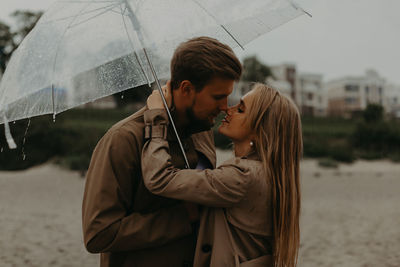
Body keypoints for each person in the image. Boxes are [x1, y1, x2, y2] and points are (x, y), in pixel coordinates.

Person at [82, 37, 242, 267]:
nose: (225, 106)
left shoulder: (202, 130)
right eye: (217, 97)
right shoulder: (124, 139)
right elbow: (98, 233)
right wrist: (183, 218)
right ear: (186, 88)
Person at [142, 83, 303, 267]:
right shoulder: (271, 174)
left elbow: (159, 178)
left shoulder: (242, 176)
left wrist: (156, 116)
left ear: (259, 132)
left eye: (240, 109)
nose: (228, 109)